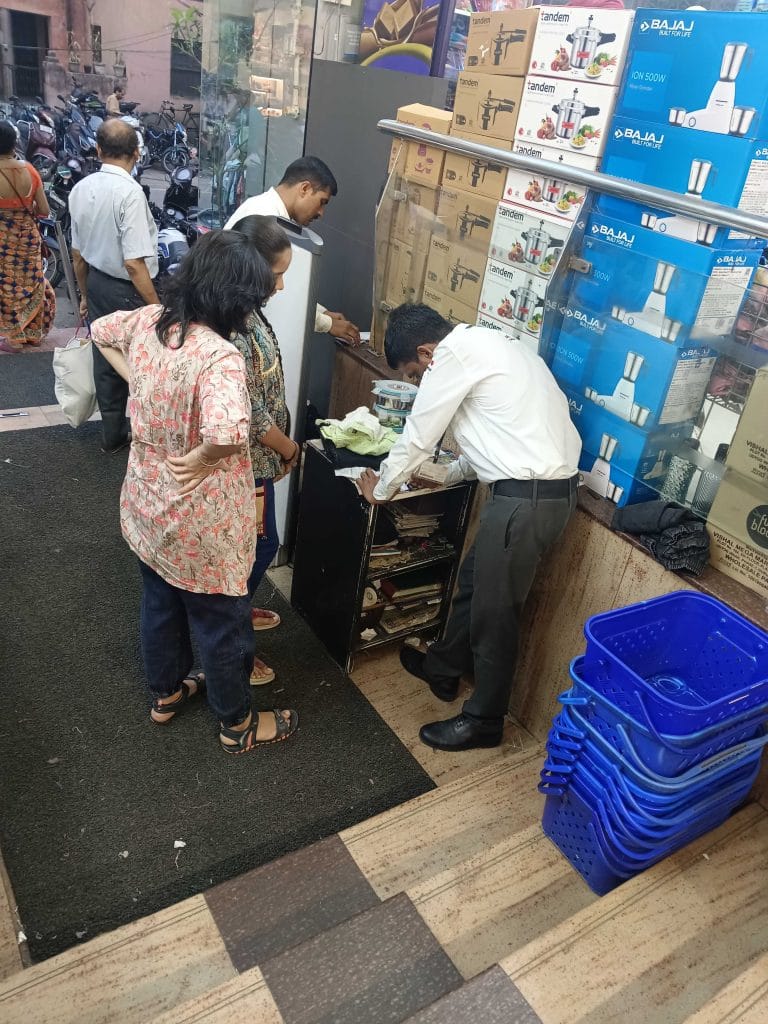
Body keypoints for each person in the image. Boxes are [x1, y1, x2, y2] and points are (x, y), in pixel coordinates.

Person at [90, 230, 299, 754]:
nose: (258, 305)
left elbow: (98, 329)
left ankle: (165, 693)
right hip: (203, 519)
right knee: (221, 623)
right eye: (254, 298)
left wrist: (136, 375)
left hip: (147, 502)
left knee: (159, 601)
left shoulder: (151, 321)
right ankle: (237, 725)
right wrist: (205, 457)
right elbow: (230, 432)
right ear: (233, 299)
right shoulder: (218, 356)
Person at [358, 306, 581, 752]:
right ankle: (443, 668)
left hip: (525, 502)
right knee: (473, 587)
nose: (420, 380)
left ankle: (485, 720)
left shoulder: (453, 358)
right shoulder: (494, 343)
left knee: (494, 616)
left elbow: (419, 434)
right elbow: (499, 431)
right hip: (533, 495)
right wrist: (450, 474)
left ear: (426, 350)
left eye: (415, 372)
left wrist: (382, 489)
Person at [228, 215, 299, 683]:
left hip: (262, 459)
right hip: (244, 463)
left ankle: (239, 612)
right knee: (254, 549)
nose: (282, 284)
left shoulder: (249, 309)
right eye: (277, 274)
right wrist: (287, 448)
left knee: (259, 545)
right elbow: (250, 409)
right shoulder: (231, 321)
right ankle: (232, 646)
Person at [70, 118, 159, 453]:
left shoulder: (81, 188)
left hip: (96, 283)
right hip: (128, 290)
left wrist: (83, 294)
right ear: (136, 153)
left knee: (105, 357)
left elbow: (78, 255)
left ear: (97, 150)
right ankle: (146, 432)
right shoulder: (130, 193)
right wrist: (155, 305)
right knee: (141, 361)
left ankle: (112, 434)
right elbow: (135, 263)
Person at [224, 156, 361, 346]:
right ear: (304, 189)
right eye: (322, 202)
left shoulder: (265, 209)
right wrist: (326, 323)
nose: (321, 213)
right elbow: (276, 298)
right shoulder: (265, 218)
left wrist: (319, 312)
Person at [0, 119, 55, 352]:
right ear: (15, 143)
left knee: (6, 286)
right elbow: (44, 210)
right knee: (30, 284)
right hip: (27, 238)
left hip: (2, 239)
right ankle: (31, 333)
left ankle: (12, 336)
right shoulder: (30, 171)